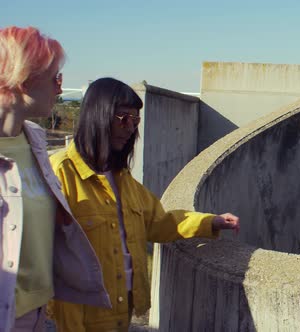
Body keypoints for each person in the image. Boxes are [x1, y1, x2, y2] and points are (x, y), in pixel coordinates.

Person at [49, 77, 240, 331]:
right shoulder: (59, 174)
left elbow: (160, 222)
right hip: (78, 318)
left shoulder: (122, 179)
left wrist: (210, 222)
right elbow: (45, 257)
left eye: (135, 120)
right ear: (98, 115)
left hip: (121, 311)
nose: (130, 128)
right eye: (123, 118)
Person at [0, 26, 110, 332]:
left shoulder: (34, 142)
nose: (60, 88)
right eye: (55, 78)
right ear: (23, 78)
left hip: (38, 313)